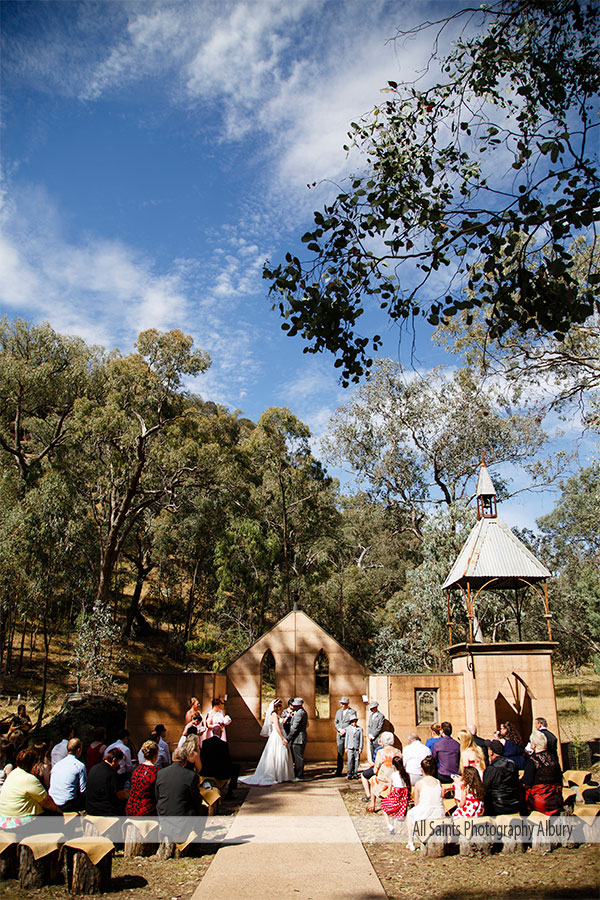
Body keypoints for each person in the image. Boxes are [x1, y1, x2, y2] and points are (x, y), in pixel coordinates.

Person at [0, 749, 61, 830]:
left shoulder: (13, 773)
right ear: (33, 764)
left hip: (4, 819)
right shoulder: (29, 779)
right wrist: (58, 810)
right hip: (19, 821)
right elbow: (46, 802)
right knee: (55, 816)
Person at [240, 699, 293, 786]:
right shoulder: (274, 715)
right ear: (276, 707)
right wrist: (283, 738)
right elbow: (277, 727)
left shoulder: (277, 715)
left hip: (280, 734)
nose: (281, 707)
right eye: (280, 706)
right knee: (277, 754)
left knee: (282, 754)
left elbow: (281, 723)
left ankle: (282, 775)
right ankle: (276, 774)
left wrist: (288, 717)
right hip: (277, 736)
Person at [405, 755, 445, 851]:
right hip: (438, 811)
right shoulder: (438, 782)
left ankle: (411, 841)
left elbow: (416, 803)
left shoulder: (420, 783)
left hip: (425, 811)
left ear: (422, 770)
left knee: (410, 814)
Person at [522, 730, 563, 814]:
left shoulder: (532, 760)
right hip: (556, 798)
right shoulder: (553, 758)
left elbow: (527, 782)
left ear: (533, 745)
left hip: (540, 800)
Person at [155, 746, 202, 816]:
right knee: (203, 809)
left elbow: (157, 795)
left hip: (163, 814)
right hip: (183, 816)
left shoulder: (160, 773)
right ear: (185, 761)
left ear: (173, 758)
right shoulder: (191, 776)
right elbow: (196, 799)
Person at [86, 748, 129, 815]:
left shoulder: (94, 768)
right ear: (114, 760)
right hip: (105, 811)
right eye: (118, 762)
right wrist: (130, 796)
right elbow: (120, 795)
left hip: (90, 809)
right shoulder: (112, 774)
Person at [200, 724, 240, 796]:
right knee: (236, 768)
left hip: (206, 770)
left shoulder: (205, 743)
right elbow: (227, 759)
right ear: (220, 733)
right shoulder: (223, 744)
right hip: (219, 772)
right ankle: (230, 792)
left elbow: (202, 756)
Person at [482, 740, 520, 815]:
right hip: (514, 803)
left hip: (497, 806)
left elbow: (485, 788)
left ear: (491, 752)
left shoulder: (492, 768)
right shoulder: (512, 764)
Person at [49, 738, 87, 812]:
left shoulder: (57, 765)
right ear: (79, 750)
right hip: (68, 804)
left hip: (53, 801)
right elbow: (83, 790)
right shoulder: (80, 766)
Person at [366, 732, 399, 812]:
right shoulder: (398, 751)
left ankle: (372, 803)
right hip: (395, 780)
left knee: (373, 779)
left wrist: (377, 772)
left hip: (383, 781)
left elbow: (375, 769)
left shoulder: (380, 752)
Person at [126, 740, 159, 816]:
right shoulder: (156, 772)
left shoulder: (136, 769)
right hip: (147, 811)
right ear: (156, 755)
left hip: (131, 809)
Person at [380, 755, 411, 834]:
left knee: (383, 805)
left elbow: (389, 789)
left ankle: (389, 824)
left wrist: (387, 796)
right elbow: (408, 785)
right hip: (404, 796)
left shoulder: (393, 775)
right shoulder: (406, 774)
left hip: (397, 796)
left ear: (393, 766)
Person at [334, 697, 358, 776]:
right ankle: (339, 770)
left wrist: (345, 730)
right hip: (340, 735)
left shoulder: (352, 712)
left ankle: (351, 771)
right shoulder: (338, 712)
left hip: (349, 735)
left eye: (343, 704)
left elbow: (353, 723)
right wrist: (339, 729)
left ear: (347, 704)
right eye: (341, 703)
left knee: (350, 753)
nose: (342, 705)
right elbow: (336, 722)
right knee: (340, 753)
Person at [287, 698, 308, 780]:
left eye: (295, 706)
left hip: (298, 738)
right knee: (297, 757)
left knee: (298, 757)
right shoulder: (300, 712)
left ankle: (299, 775)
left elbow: (294, 728)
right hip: (299, 738)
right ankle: (297, 773)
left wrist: (288, 738)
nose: (293, 707)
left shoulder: (299, 713)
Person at [344, 712, 363, 780]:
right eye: (352, 722)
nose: (354, 723)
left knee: (356, 760)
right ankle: (349, 773)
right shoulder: (348, 729)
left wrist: (360, 747)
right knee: (350, 760)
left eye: (355, 721)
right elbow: (347, 738)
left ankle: (355, 773)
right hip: (350, 747)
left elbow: (361, 739)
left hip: (357, 747)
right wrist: (346, 747)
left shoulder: (360, 729)